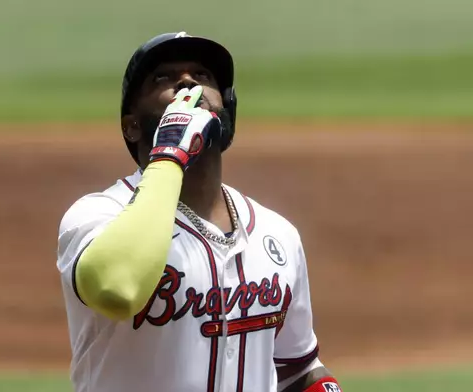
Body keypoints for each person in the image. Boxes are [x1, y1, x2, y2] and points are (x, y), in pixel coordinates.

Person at [57, 31, 342, 392]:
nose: (188, 84)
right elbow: (118, 287)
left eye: (203, 77)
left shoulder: (277, 233)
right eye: (163, 78)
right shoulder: (99, 216)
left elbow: (298, 368)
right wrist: (170, 154)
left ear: (228, 111)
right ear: (131, 126)